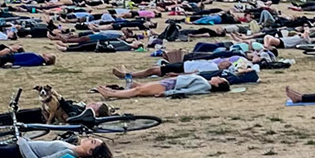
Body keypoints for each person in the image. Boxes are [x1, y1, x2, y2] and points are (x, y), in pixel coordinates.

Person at [93, 74, 230, 99]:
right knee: (138, 86)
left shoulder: (204, 86)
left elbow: (188, 91)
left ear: (218, 84)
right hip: (169, 83)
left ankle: (111, 94)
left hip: (169, 87)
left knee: (138, 91)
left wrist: (167, 93)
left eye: (220, 79)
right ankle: (112, 91)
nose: (217, 77)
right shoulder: (204, 82)